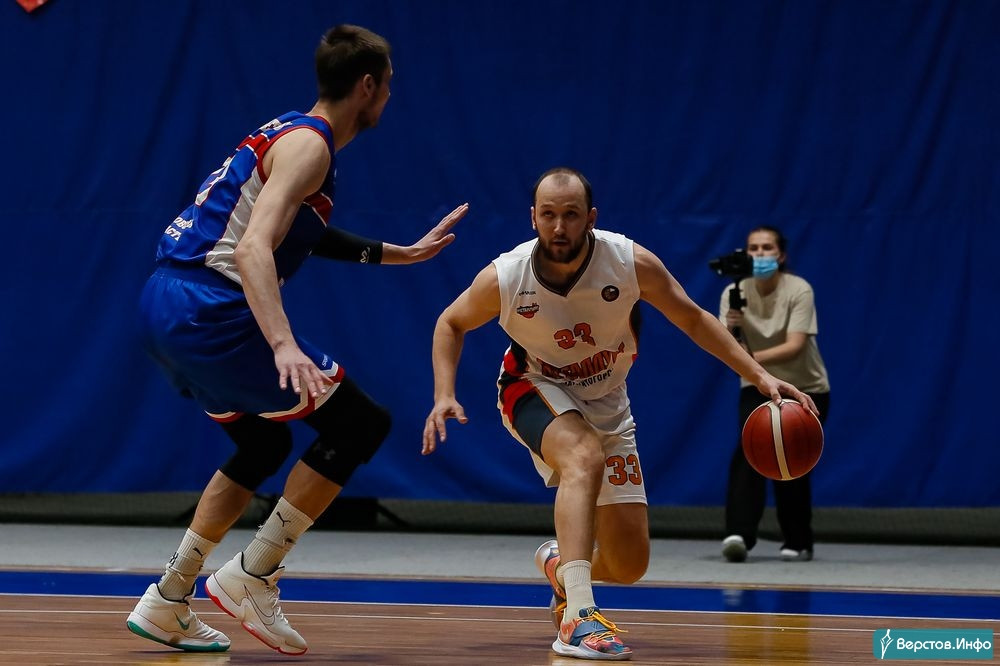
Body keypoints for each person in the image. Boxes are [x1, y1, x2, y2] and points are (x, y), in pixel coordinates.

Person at [126, 24, 468, 655]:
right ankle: (254, 575)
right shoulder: (312, 146)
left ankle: (168, 598)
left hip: (164, 302)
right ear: (366, 86)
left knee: (261, 444)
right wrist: (283, 344)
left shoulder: (289, 129)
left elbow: (293, 230)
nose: (390, 97)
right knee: (360, 425)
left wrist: (397, 253)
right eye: (388, 86)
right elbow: (254, 248)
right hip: (209, 307)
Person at [422, 167, 817, 661]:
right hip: (532, 384)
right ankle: (578, 618)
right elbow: (450, 323)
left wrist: (760, 377)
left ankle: (561, 565)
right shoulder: (507, 275)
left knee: (629, 563)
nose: (559, 227)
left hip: (608, 398)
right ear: (533, 218)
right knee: (581, 456)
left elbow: (694, 318)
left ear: (591, 218)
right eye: (548, 215)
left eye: (571, 215)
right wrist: (443, 393)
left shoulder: (628, 262)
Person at [719, 226, 830, 564]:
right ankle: (738, 535)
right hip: (757, 387)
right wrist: (732, 329)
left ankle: (797, 540)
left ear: (780, 255)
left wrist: (750, 361)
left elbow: (795, 345)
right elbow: (726, 348)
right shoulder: (733, 293)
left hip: (805, 386)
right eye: (753, 248)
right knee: (749, 453)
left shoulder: (798, 289)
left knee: (794, 460)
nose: (760, 254)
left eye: (767, 248)